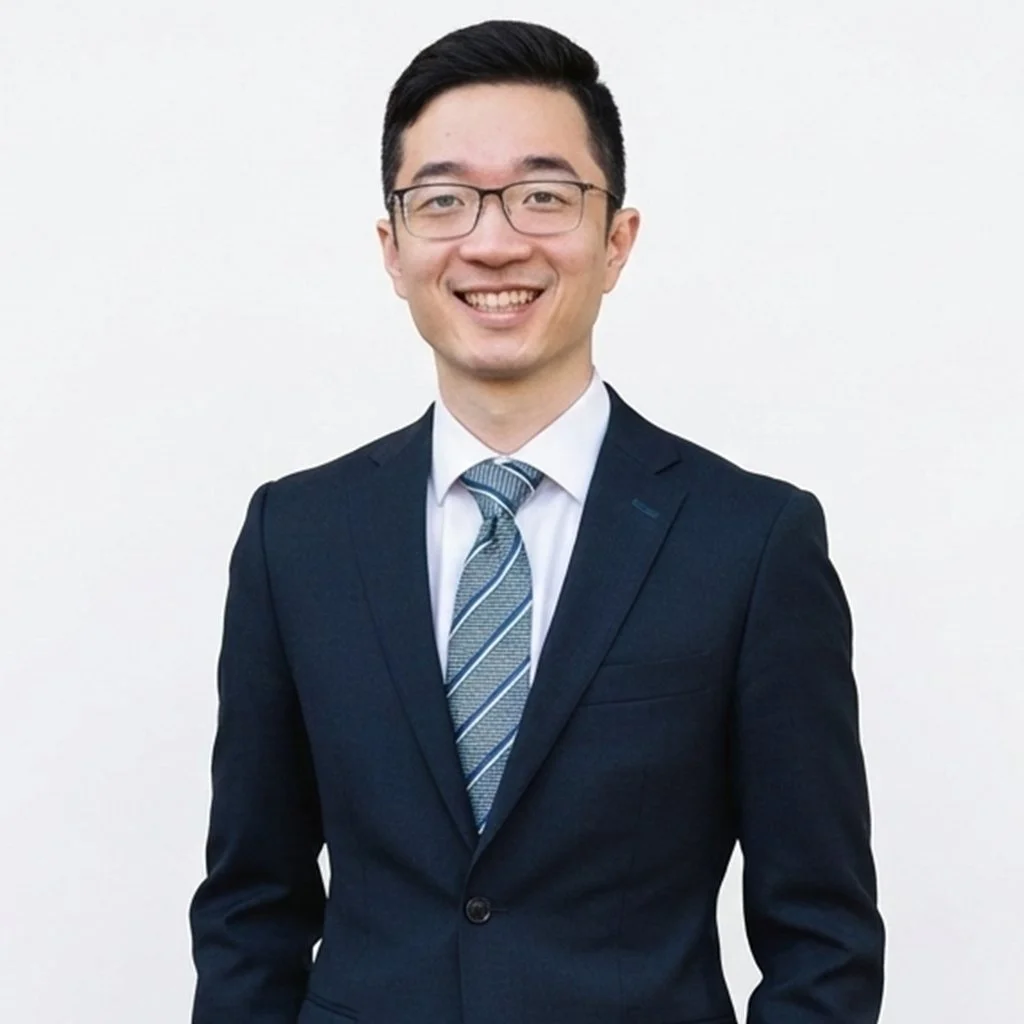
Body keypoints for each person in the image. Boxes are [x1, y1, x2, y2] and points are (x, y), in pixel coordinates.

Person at [189, 19, 884, 1024]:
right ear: (393, 248)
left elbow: (823, 936)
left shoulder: (750, 542)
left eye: (543, 195)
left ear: (616, 241)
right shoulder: (295, 537)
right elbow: (253, 904)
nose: (493, 238)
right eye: (443, 201)